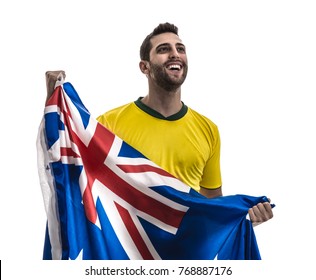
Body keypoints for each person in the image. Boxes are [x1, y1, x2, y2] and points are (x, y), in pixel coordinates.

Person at [45, 22, 273, 226]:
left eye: (180, 49)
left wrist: (243, 223)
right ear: (145, 67)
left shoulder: (208, 130)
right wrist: (53, 100)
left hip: (185, 258)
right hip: (130, 256)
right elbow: (71, 176)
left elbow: (212, 210)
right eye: (164, 50)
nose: (175, 54)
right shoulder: (109, 124)